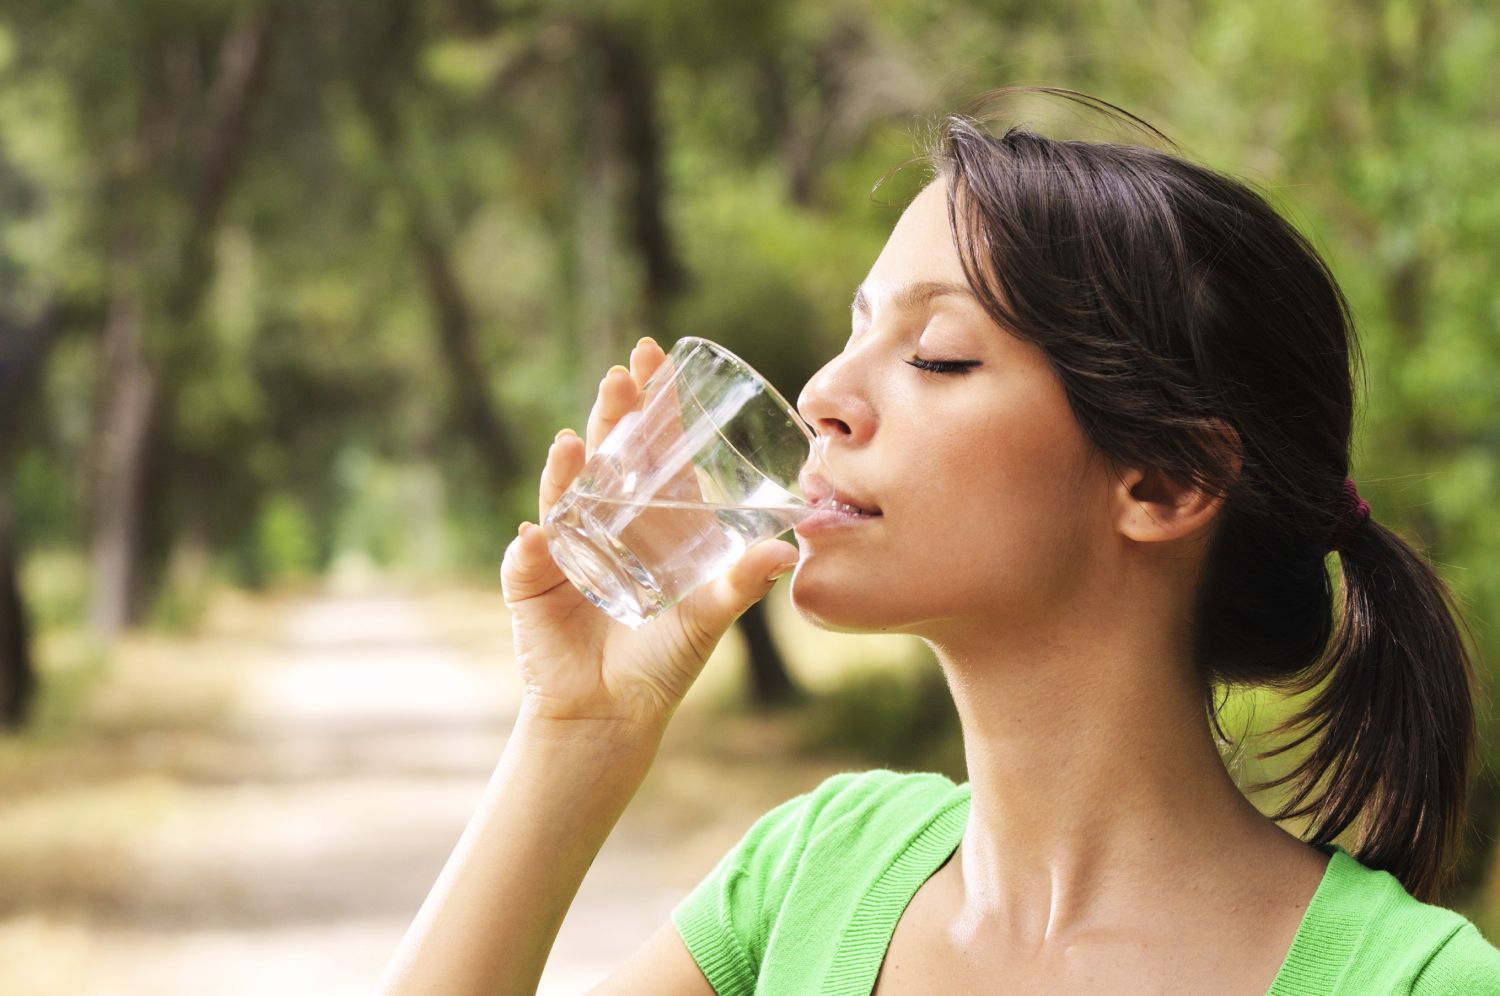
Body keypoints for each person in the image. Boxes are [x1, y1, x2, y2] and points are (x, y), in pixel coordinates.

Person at [375, 88, 1500, 994]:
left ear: (1164, 481)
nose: (821, 395)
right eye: (857, 333)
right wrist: (576, 731)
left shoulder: (1410, 980)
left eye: (938, 357)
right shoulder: (817, 872)